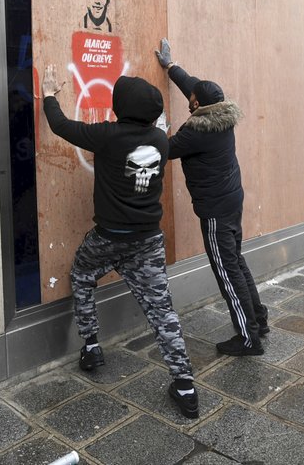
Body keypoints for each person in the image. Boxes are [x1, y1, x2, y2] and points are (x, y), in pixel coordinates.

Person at [40, 63, 199, 419]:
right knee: (162, 311)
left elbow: (62, 126)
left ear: (120, 108)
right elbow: (156, 125)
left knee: (82, 275)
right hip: (148, 240)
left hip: (109, 238)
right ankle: (185, 386)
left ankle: (92, 346)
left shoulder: (108, 136)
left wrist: (49, 94)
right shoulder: (159, 139)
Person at [155, 39, 268, 357]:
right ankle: (257, 319)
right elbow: (196, 86)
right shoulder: (222, 114)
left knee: (226, 270)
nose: (189, 98)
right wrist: (172, 66)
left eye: (191, 100)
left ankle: (248, 338)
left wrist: (158, 126)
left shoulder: (197, 131)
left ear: (196, 105)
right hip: (231, 200)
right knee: (237, 262)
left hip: (216, 210)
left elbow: (166, 149)